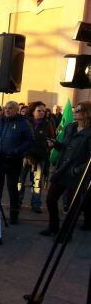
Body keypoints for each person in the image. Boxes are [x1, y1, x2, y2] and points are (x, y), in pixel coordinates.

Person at [40, 101, 91, 236]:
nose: (74, 112)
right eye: (75, 110)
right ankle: (53, 227)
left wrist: (78, 170)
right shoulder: (70, 127)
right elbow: (65, 147)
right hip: (62, 170)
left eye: (78, 110)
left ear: (87, 113)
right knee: (50, 199)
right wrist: (55, 144)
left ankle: (66, 233)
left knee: (72, 206)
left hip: (77, 176)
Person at [0, 101, 34, 224]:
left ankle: (14, 215)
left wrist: (17, 151)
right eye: (5, 108)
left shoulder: (23, 123)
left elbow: (30, 140)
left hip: (13, 160)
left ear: (17, 110)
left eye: (10, 108)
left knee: (12, 188)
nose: (7, 110)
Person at [18, 101, 55, 213]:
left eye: (43, 111)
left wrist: (50, 144)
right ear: (33, 111)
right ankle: (17, 201)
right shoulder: (25, 123)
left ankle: (36, 204)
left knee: (37, 182)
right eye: (39, 110)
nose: (42, 113)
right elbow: (20, 139)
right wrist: (25, 154)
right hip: (24, 157)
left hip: (40, 158)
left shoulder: (48, 124)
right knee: (20, 181)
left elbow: (52, 139)